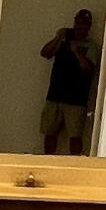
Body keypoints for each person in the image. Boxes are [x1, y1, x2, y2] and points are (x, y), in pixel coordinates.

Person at [39, 8, 100, 153]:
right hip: (55, 95)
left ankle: (74, 164)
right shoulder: (64, 40)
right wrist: (58, 38)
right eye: (77, 22)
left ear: (89, 26)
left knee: (75, 135)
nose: (79, 26)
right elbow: (45, 53)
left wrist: (76, 52)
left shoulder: (91, 46)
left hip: (76, 99)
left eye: (83, 23)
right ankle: (47, 161)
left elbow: (89, 69)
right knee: (50, 132)